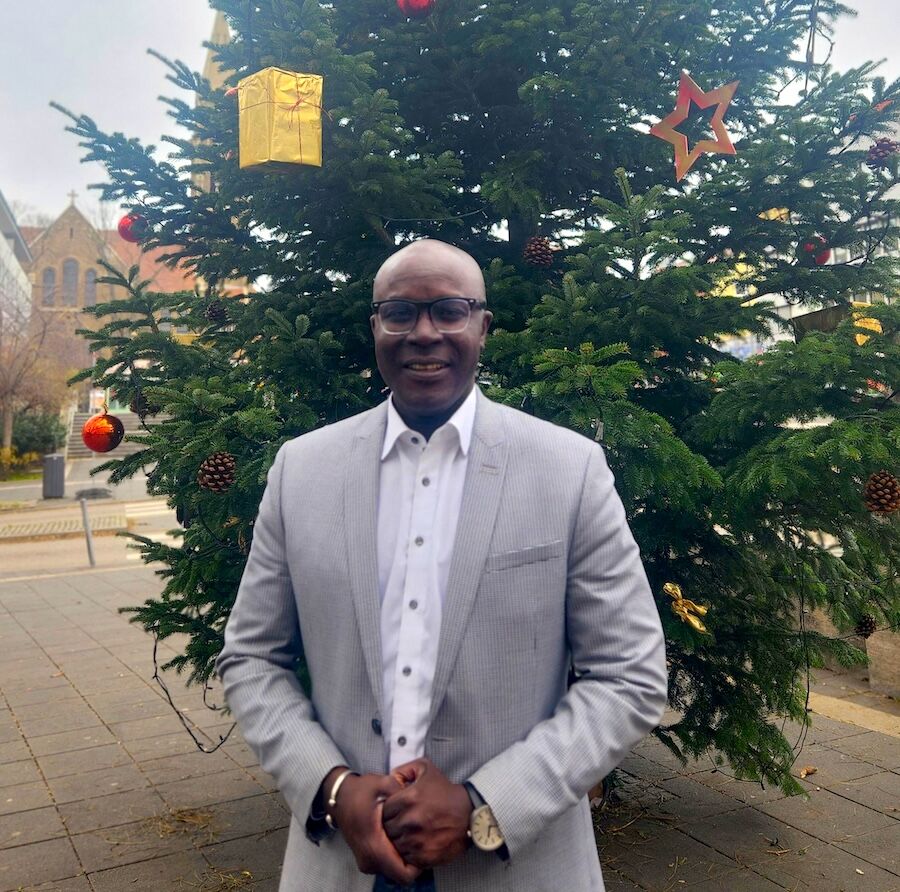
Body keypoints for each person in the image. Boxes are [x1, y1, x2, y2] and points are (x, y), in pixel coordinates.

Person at [216, 239, 668, 891]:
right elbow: (251, 657)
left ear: (483, 327)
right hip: (344, 862)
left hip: (514, 867)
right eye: (400, 312)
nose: (424, 332)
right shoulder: (302, 470)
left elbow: (629, 673)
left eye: (450, 310)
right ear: (375, 327)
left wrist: (485, 807)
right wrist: (331, 787)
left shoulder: (568, 470)